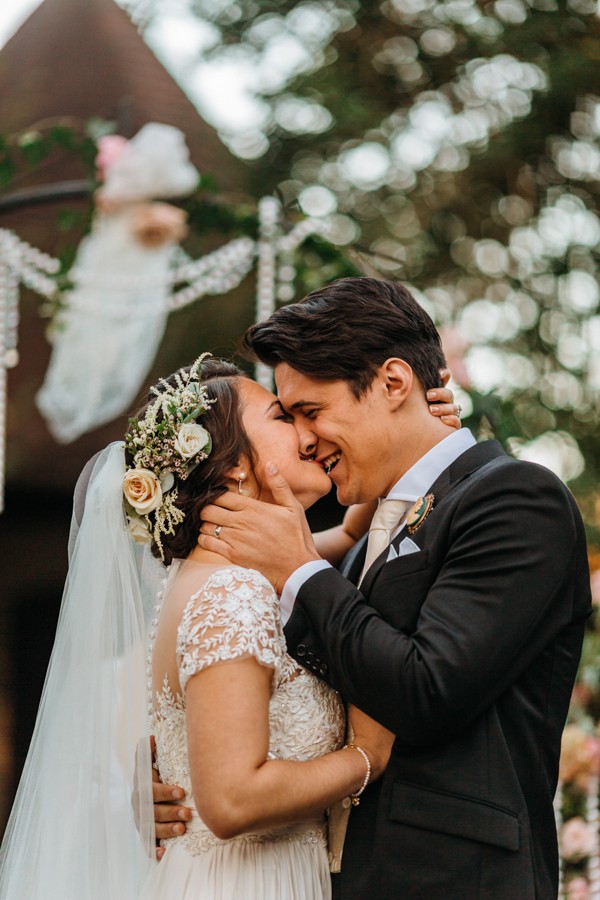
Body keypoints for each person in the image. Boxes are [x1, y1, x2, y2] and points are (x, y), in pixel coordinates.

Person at [182, 277, 592, 900]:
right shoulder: (359, 538)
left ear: (393, 384)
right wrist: (169, 785)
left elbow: (428, 689)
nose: (303, 439)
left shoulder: (515, 499)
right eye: (288, 417)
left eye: (311, 412)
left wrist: (300, 569)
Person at [0, 352, 458, 900]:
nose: (307, 432)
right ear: (234, 466)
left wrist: (411, 432)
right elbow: (232, 800)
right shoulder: (232, 593)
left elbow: (347, 541)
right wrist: (365, 758)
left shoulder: (229, 575)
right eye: (282, 418)